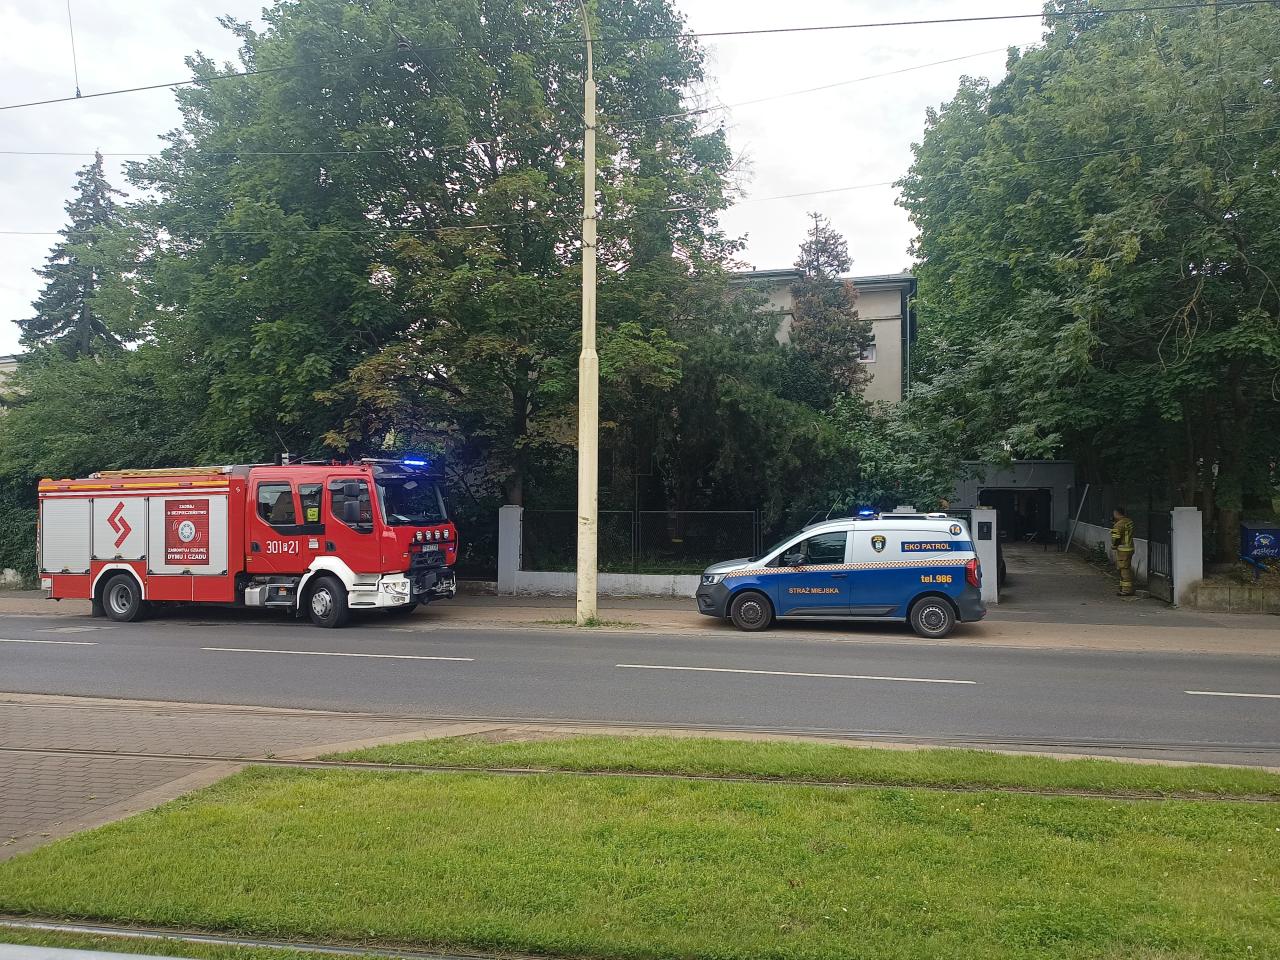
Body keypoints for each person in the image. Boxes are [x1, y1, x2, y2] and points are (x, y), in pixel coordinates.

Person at [1110, 507, 1136, 597]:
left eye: (1114, 514)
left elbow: (1116, 538)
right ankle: (1123, 587)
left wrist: (1114, 546)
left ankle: (1126, 590)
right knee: (1126, 567)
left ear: (1116, 513)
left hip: (1123, 550)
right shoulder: (1129, 521)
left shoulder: (1119, 525)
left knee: (1124, 569)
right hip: (1130, 548)